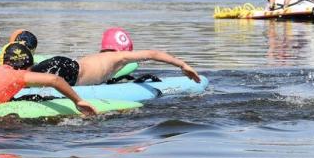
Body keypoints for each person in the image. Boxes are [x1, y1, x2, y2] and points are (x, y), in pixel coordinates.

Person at [31, 46, 201, 87]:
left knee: (24, 77)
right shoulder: (121, 57)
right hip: (71, 72)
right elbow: (152, 54)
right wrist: (183, 65)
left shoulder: (97, 56)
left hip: (64, 63)